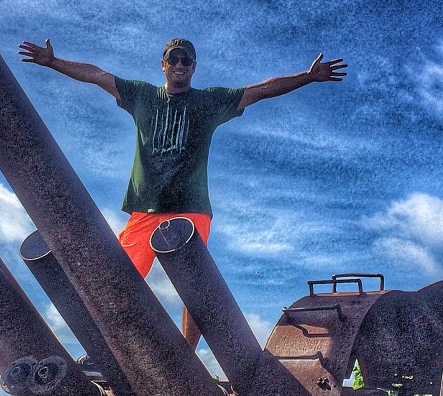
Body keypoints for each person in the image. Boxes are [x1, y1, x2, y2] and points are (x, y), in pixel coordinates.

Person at [18, 36, 347, 347]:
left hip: (190, 207)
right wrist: (53, 62)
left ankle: (186, 357)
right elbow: (98, 75)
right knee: (118, 281)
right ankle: (112, 348)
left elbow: (259, 90)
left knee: (193, 283)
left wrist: (307, 77)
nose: (180, 65)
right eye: (174, 59)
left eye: (186, 60)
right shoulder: (142, 96)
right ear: (163, 64)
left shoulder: (208, 102)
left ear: (193, 67)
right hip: (146, 208)